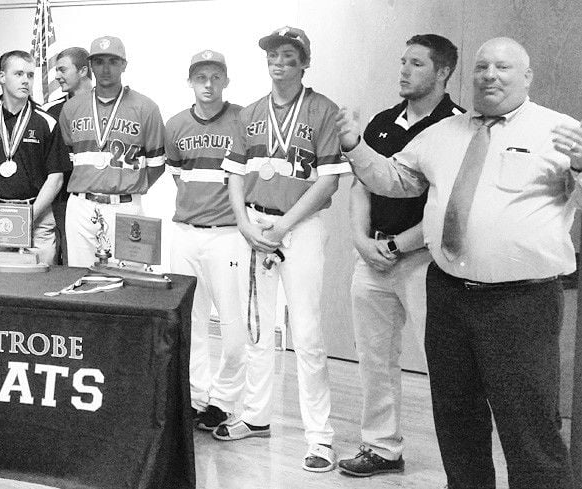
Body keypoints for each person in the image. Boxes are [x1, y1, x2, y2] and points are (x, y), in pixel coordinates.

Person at [338, 36, 580, 489]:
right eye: (482, 66)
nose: (490, 75)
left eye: (503, 68)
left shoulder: (559, 130)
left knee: (528, 427)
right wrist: (354, 146)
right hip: (449, 296)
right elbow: (394, 179)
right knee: (456, 419)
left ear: (527, 77)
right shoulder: (443, 134)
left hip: (522, 303)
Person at [218, 26, 349, 473]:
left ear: (304, 62)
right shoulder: (250, 112)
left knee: (307, 333)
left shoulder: (323, 110)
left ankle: (320, 437)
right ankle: (256, 416)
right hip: (254, 224)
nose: (278, 63)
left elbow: (329, 180)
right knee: (258, 325)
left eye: (288, 56)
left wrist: (284, 227)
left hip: (301, 226)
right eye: (273, 56)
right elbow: (235, 173)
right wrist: (242, 222)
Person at [338, 34, 463, 478]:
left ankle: (461, 466)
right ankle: (381, 448)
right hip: (371, 257)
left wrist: (395, 246)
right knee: (374, 360)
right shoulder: (381, 121)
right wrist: (360, 240)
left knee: (444, 365)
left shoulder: (457, 126)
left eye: (416, 63)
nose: (404, 71)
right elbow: (362, 184)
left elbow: (449, 210)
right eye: (402, 62)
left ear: (443, 72)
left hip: (424, 262)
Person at [163, 50, 247, 433]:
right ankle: (197, 398)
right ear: (191, 81)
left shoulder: (243, 120)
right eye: (201, 78)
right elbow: (179, 175)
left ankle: (225, 400)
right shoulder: (176, 123)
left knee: (232, 325)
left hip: (228, 235)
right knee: (190, 321)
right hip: (186, 233)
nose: (208, 85)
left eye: (215, 77)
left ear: (226, 80)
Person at [58, 35, 167, 267]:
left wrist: (129, 184)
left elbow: (157, 166)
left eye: (113, 61)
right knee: (80, 277)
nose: (105, 69)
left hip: (126, 205)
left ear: (124, 65)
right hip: (81, 205)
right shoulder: (71, 108)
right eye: (99, 62)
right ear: (89, 67)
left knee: (130, 282)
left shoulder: (146, 107)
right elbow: (70, 158)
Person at [0, 50, 70, 265]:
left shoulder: (47, 122)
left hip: (38, 218)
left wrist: (28, 216)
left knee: (38, 285)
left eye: (30, 75)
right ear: (2, 77)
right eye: (19, 74)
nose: (26, 80)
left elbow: (56, 178)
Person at [44, 47, 92, 265]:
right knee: (67, 264)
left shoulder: (108, 107)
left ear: (82, 71)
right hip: (63, 202)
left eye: (62, 69)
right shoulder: (52, 113)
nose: (56, 76)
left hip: (104, 199)